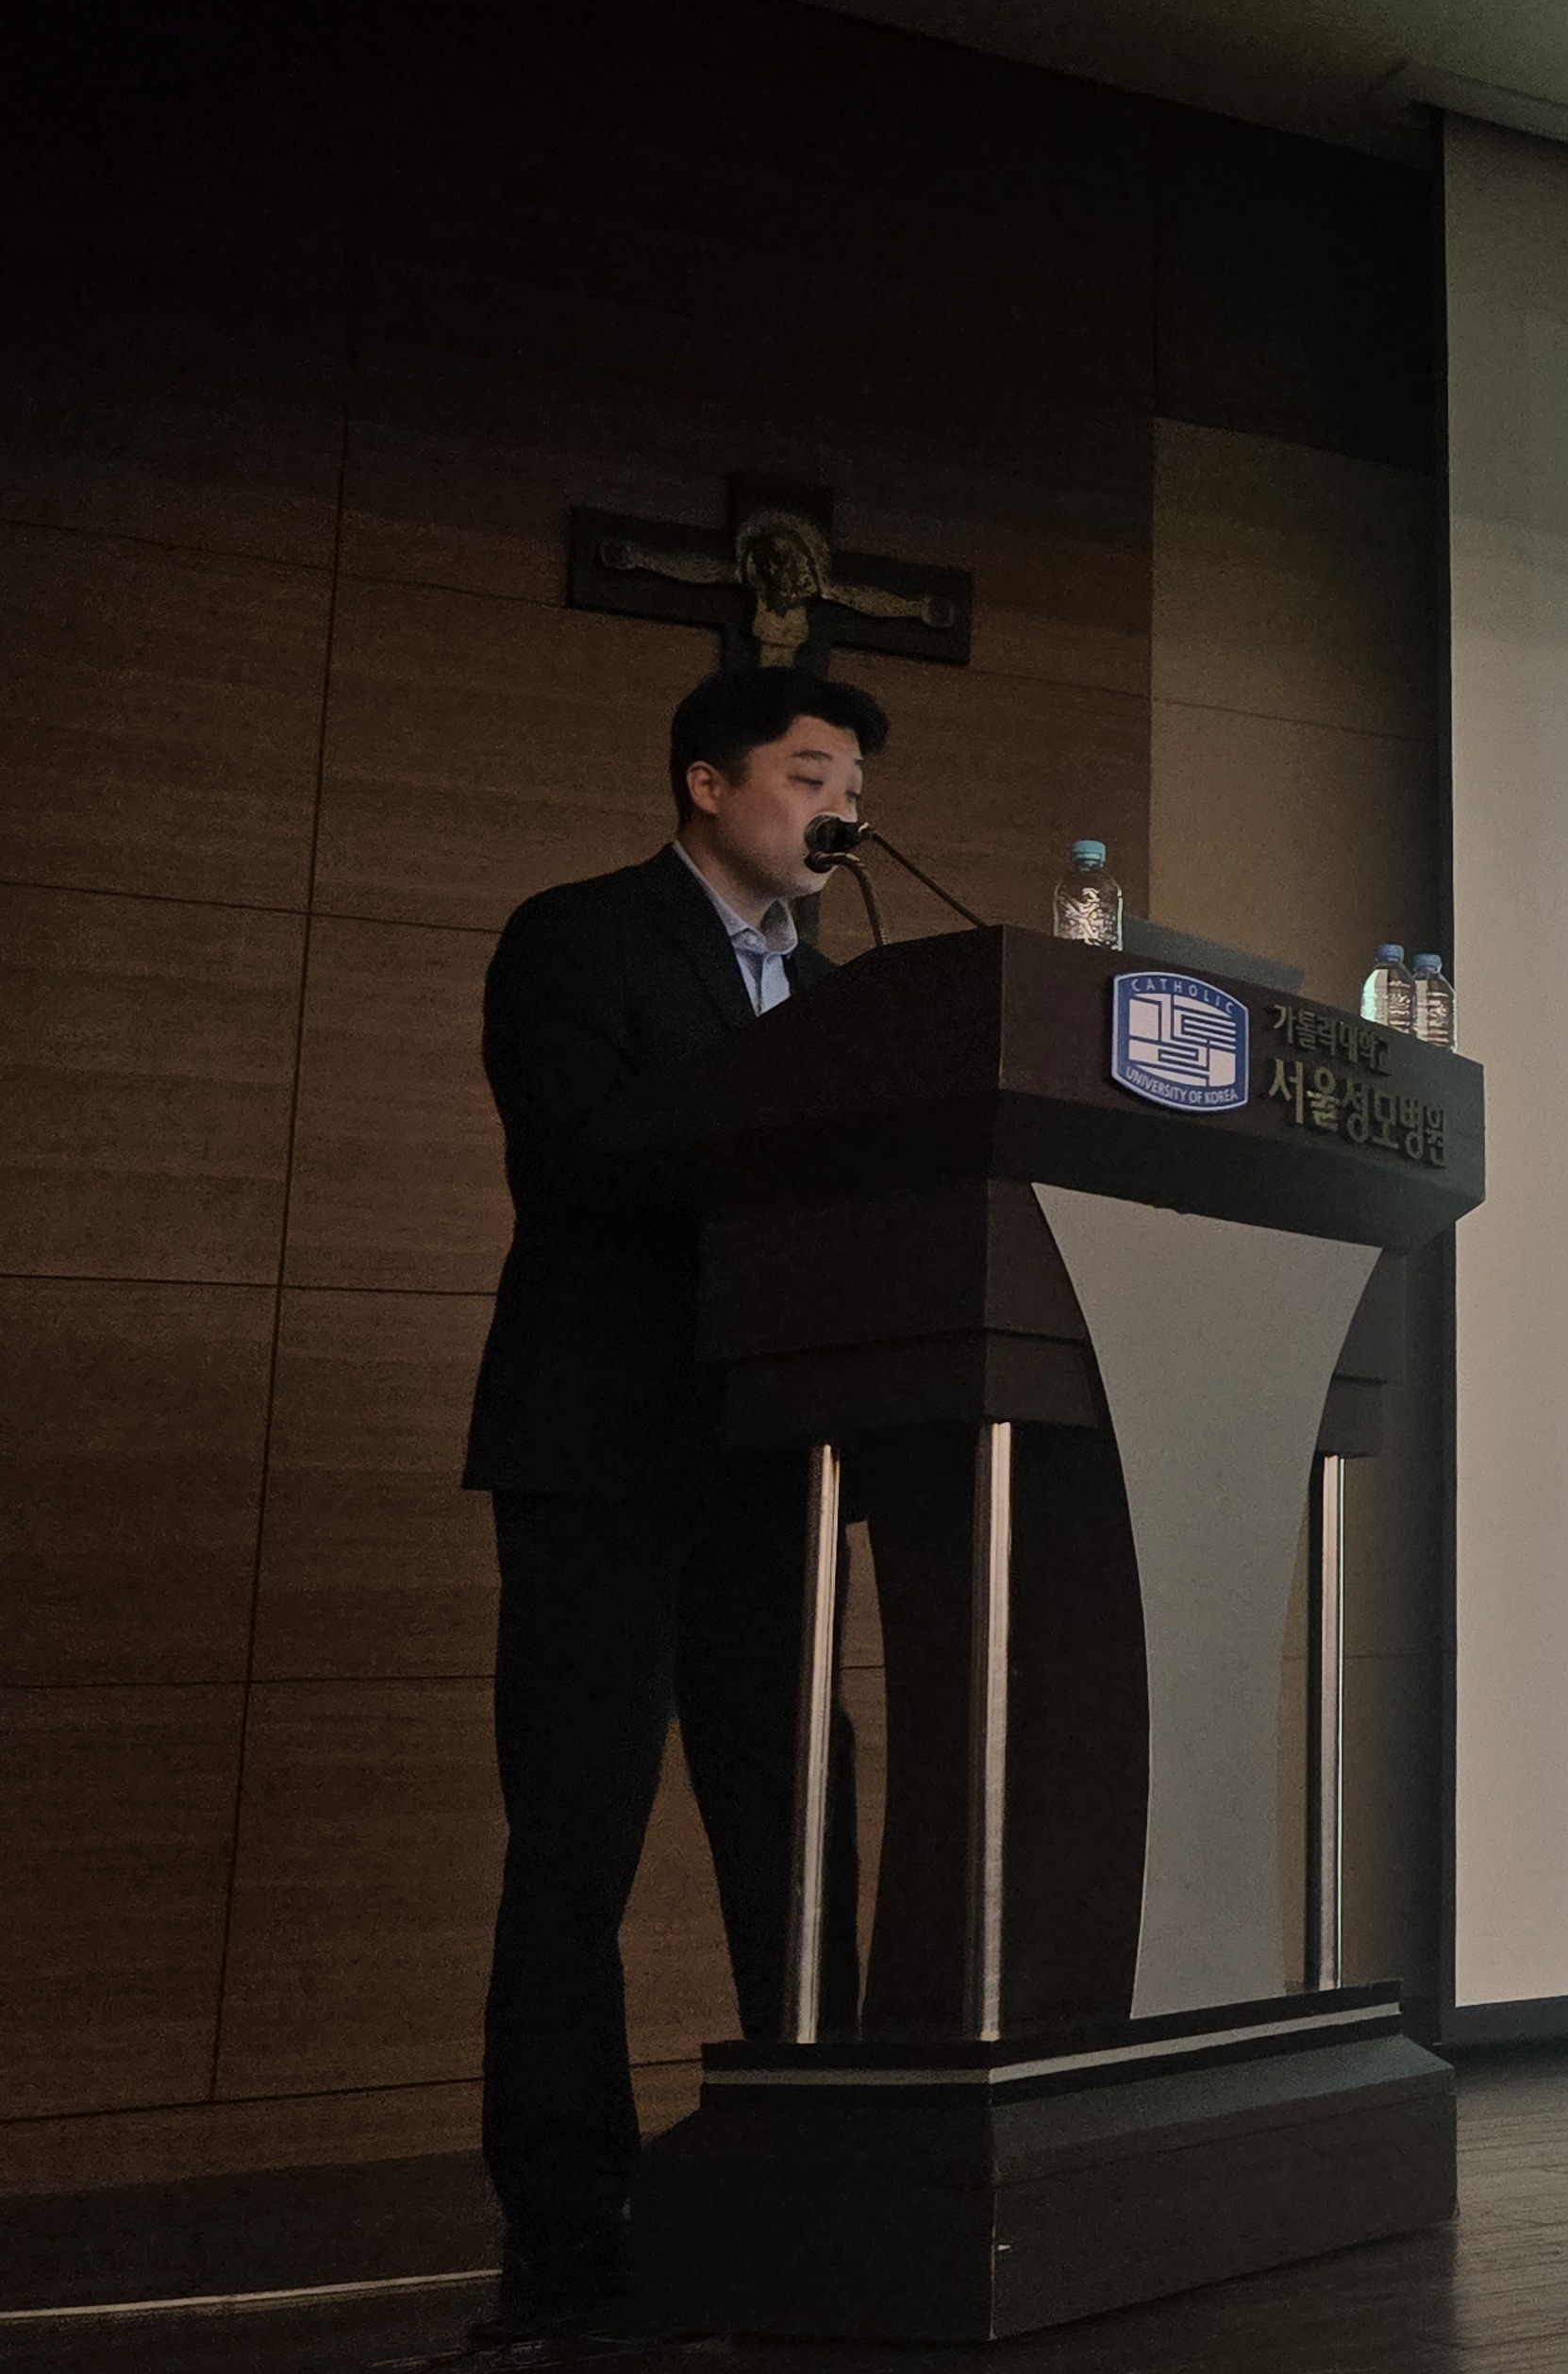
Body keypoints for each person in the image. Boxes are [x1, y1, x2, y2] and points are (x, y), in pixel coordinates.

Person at [463, 665, 890, 2341]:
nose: (840, 809)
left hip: (778, 1457)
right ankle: (568, 2241)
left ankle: (826, 2189)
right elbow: (575, 1157)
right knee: (574, 1841)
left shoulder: (840, 993)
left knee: (797, 1828)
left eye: (854, 787)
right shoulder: (578, 935)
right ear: (707, 784)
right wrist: (796, 1108)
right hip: (604, 1449)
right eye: (809, 773)